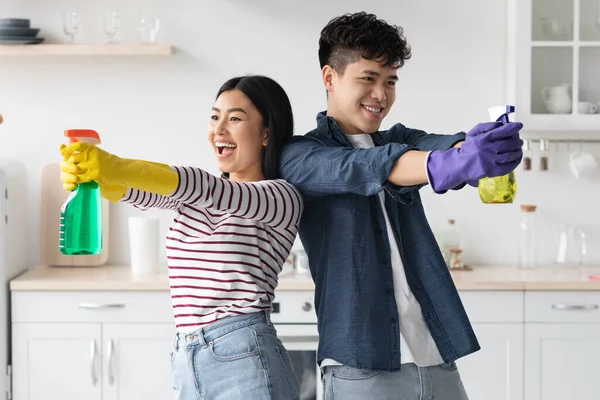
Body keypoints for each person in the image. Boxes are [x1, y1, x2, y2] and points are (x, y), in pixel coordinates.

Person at [279, 12, 523, 400]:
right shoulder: (301, 154)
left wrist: (477, 148)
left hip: (436, 360)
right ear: (329, 77)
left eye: (390, 81)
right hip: (361, 369)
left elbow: (439, 148)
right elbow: (359, 168)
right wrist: (444, 164)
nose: (381, 94)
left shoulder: (399, 137)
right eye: (368, 78)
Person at [59, 75, 303, 400]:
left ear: (265, 133)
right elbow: (142, 191)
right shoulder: (195, 202)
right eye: (215, 116)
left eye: (235, 118)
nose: (219, 129)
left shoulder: (280, 197)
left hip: (244, 357)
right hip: (187, 358)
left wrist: (114, 166)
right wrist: (97, 178)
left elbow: (202, 186)